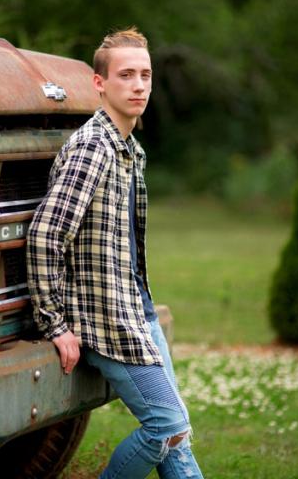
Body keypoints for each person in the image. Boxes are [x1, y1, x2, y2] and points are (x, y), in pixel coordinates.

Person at [26, 27, 204, 479]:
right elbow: (46, 234)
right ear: (99, 83)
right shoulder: (93, 147)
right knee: (167, 427)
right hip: (106, 321)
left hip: (136, 309)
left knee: (178, 436)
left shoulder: (128, 149)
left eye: (146, 74)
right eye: (126, 75)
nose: (140, 85)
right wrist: (56, 324)